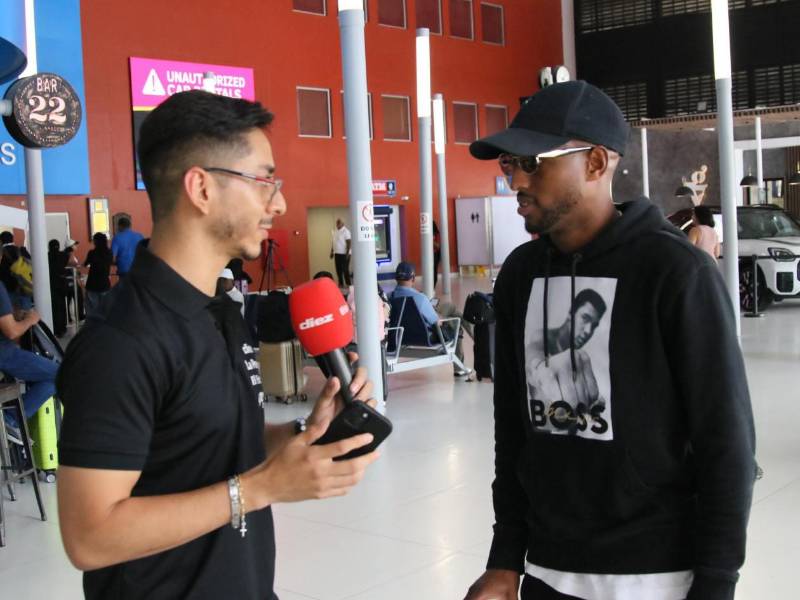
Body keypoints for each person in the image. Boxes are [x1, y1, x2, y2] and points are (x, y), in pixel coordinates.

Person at [56, 90, 380, 600]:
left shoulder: (222, 312)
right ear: (201, 188)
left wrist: (306, 431)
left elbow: (211, 442)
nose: (279, 203)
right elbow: (89, 537)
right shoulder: (121, 343)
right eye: (264, 181)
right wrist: (261, 488)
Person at [463, 81, 755, 600]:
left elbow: (726, 443)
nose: (516, 182)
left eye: (533, 163)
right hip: (547, 568)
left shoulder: (675, 272)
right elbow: (513, 428)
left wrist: (716, 584)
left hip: (657, 574)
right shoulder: (520, 275)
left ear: (596, 163)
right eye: (510, 165)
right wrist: (506, 556)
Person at [389, 261, 472, 377]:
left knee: (449, 307)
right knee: (456, 321)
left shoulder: (389, 297)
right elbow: (437, 322)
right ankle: (460, 366)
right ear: (413, 278)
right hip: (427, 335)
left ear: (396, 278)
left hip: (401, 335)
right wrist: (437, 314)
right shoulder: (420, 298)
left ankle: (474, 335)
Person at [0, 281, 58, 441]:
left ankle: (13, 419)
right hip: (5, 353)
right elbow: (12, 332)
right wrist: (30, 320)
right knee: (61, 375)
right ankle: (10, 419)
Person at [83, 233, 113, 316]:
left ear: (96, 242)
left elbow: (85, 264)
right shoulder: (109, 253)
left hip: (92, 284)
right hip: (105, 283)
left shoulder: (92, 253)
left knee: (93, 309)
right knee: (105, 309)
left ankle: (94, 323)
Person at [47, 240, 69, 336]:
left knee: (54, 307)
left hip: (51, 284)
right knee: (62, 306)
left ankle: (55, 328)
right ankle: (63, 328)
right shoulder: (64, 255)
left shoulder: (47, 256)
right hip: (62, 284)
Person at [330, 218, 352, 287]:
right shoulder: (335, 231)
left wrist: (347, 253)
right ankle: (341, 284)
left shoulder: (346, 231)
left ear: (343, 224)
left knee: (345, 269)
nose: (337, 224)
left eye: (339, 223)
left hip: (344, 254)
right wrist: (332, 251)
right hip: (337, 253)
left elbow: (349, 243)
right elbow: (334, 242)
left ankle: (348, 284)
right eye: (337, 223)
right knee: (338, 270)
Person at [433, 221, 441, 289]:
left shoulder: (437, 234)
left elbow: (438, 246)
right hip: (430, 255)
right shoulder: (429, 234)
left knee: (434, 270)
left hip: (435, 254)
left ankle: (433, 286)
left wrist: (431, 241)